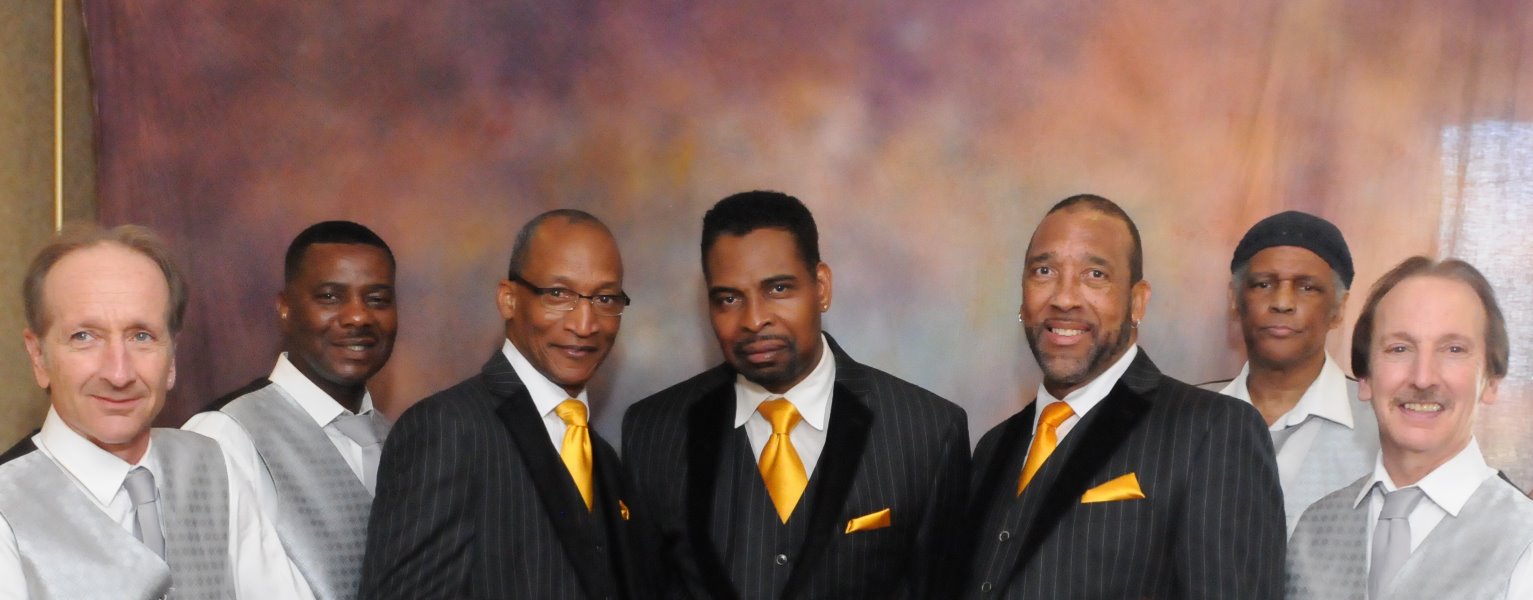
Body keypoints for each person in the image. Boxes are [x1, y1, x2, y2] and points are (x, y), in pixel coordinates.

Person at [623, 191, 970, 599]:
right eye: (729, 298)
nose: (754, 320)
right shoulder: (653, 432)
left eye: (778, 289)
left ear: (821, 287)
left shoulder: (927, 431)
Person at [961, 194, 1285, 599]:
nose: (1064, 298)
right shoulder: (993, 447)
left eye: (1094, 275)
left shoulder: (1214, 431)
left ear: (1137, 301)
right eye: (1044, 271)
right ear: (1023, 297)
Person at [0, 225, 311, 599]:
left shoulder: (215, 468)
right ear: (38, 356)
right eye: (84, 336)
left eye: (141, 336)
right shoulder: (7, 508)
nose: (119, 374)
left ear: (172, 357)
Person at [360, 209, 648, 599]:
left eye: (605, 298)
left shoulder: (605, 459)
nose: (584, 324)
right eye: (558, 294)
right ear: (508, 299)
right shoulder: (448, 429)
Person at [1287, 257, 1533, 599]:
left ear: (1491, 382)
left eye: (1454, 349)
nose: (1423, 377)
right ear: (1365, 379)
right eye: (1399, 348)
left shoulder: (1524, 538)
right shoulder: (1312, 531)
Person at [184, 220, 398, 599]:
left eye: (377, 299)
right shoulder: (224, 436)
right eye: (330, 297)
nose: (358, 316)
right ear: (285, 308)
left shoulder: (402, 441)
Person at [1201, 211, 1378, 535]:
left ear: (1338, 308)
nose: (1282, 302)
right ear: (1235, 299)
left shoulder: (1382, 425)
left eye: (1307, 288)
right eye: (1264, 284)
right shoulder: (1185, 417)